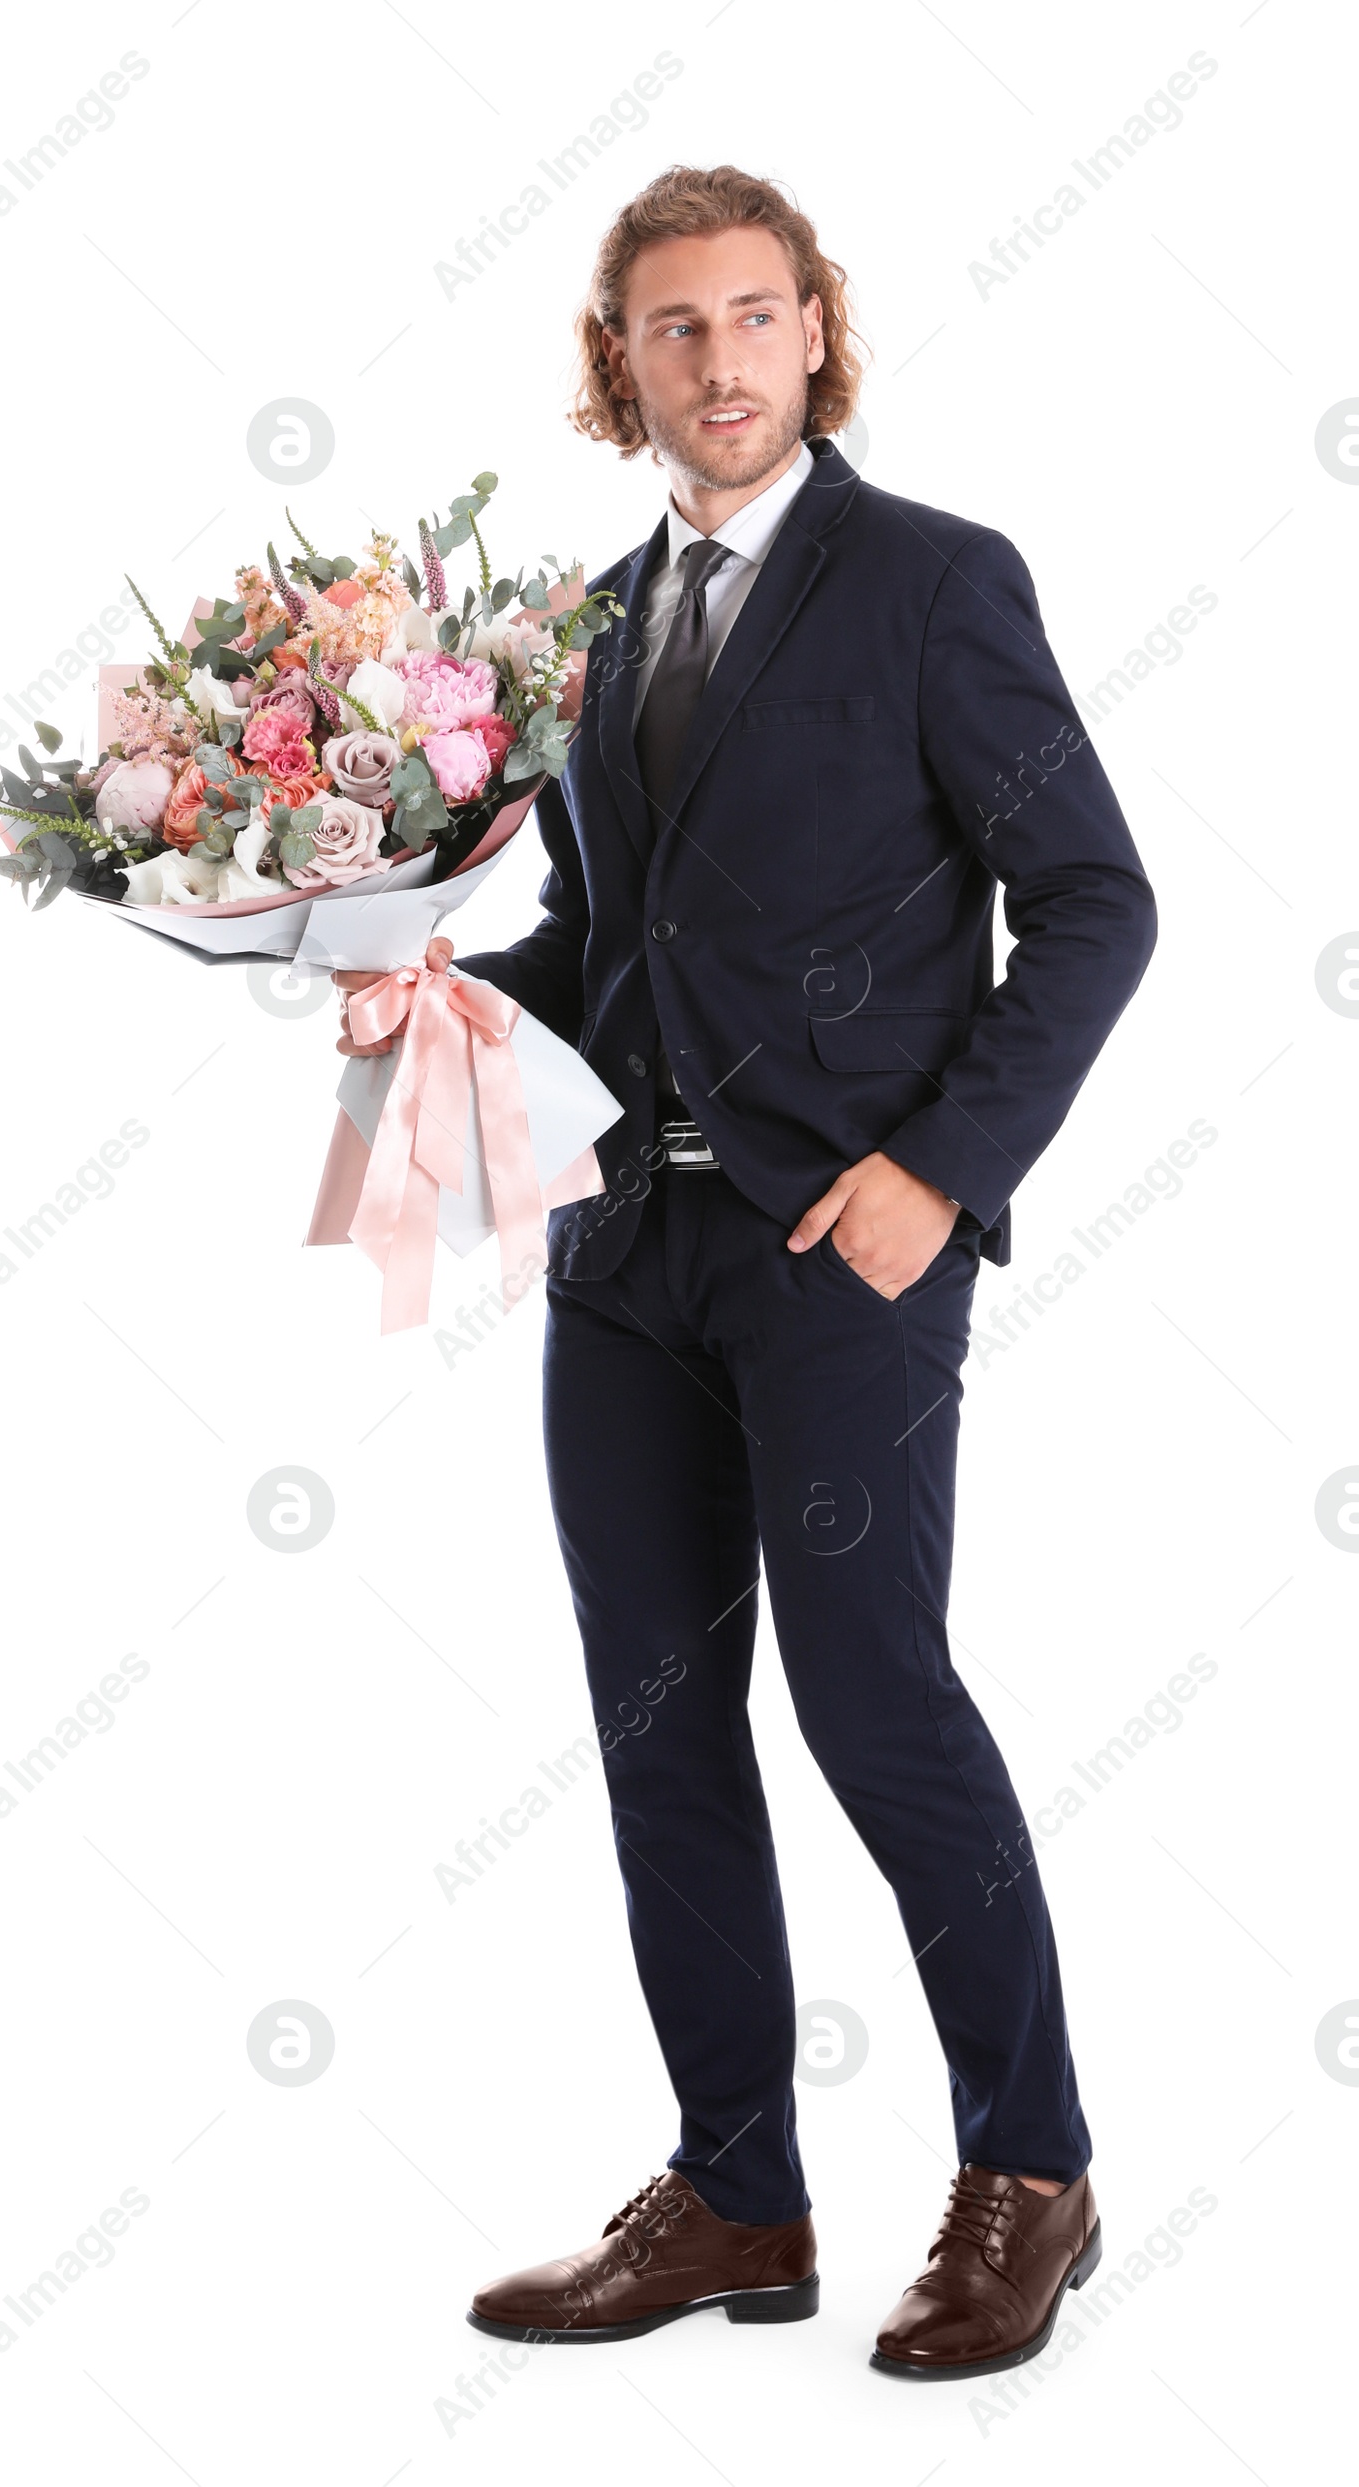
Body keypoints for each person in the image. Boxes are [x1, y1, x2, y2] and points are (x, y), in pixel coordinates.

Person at [335, 163, 1156, 2378]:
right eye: (670, 326)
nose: (716, 361)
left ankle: (1029, 2165)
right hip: (629, 1251)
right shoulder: (582, 631)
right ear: (619, 356)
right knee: (652, 1718)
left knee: (872, 1695)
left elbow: (1092, 900)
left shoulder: (929, 584)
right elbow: (609, 947)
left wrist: (936, 1169)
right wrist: (423, 996)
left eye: (752, 316)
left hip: (838, 1251)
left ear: (814, 332)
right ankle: (734, 2191)